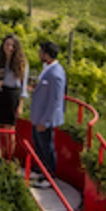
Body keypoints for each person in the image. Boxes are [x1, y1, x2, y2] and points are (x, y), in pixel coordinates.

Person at [0, 34, 26, 164]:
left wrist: (21, 105)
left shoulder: (22, 63)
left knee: (9, 131)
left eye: (12, 45)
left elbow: (24, 87)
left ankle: (9, 158)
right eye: (7, 44)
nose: (9, 48)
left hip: (12, 95)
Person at [30, 39, 68, 186]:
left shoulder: (56, 73)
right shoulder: (46, 69)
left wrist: (45, 121)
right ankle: (40, 171)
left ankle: (49, 177)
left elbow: (55, 101)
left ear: (47, 54)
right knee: (38, 146)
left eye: (41, 51)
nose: (39, 53)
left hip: (44, 118)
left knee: (46, 147)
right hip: (38, 116)